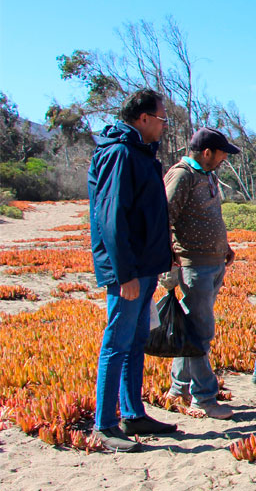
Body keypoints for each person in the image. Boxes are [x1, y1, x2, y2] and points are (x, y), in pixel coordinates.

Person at [87, 88, 177, 452]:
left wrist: (164, 253)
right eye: (162, 118)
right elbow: (111, 219)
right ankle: (105, 424)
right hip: (129, 271)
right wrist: (123, 274)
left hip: (145, 266)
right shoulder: (121, 153)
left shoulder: (141, 154)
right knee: (116, 343)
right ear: (143, 119)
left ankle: (132, 412)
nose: (164, 125)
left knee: (137, 341)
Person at [163, 127, 240, 420]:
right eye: (222, 153)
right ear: (207, 152)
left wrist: (225, 245)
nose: (224, 158)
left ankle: (178, 388)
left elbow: (209, 216)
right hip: (193, 265)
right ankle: (204, 398)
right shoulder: (182, 175)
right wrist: (170, 258)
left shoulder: (206, 175)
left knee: (190, 327)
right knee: (200, 331)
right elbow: (165, 215)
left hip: (212, 261)